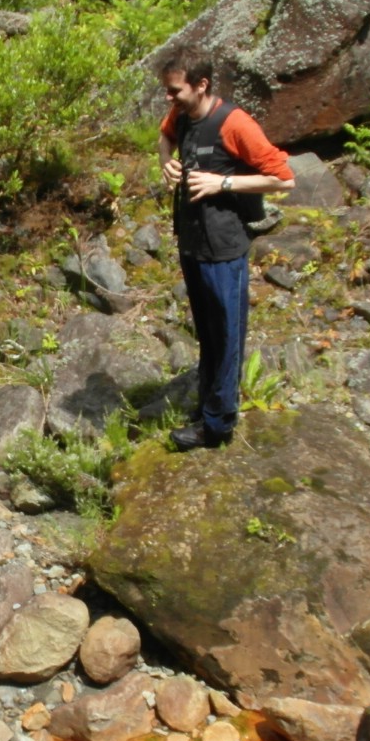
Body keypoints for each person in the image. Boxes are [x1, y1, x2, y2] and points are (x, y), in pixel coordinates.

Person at [157, 49, 295, 450]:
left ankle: (218, 425)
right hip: (192, 242)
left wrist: (224, 183)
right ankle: (208, 406)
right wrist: (166, 161)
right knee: (207, 332)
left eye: (175, 90)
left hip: (224, 247)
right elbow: (165, 136)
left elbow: (284, 179)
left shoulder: (234, 123)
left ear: (201, 85)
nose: (168, 98)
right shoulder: (181, 115)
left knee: (226, 333)